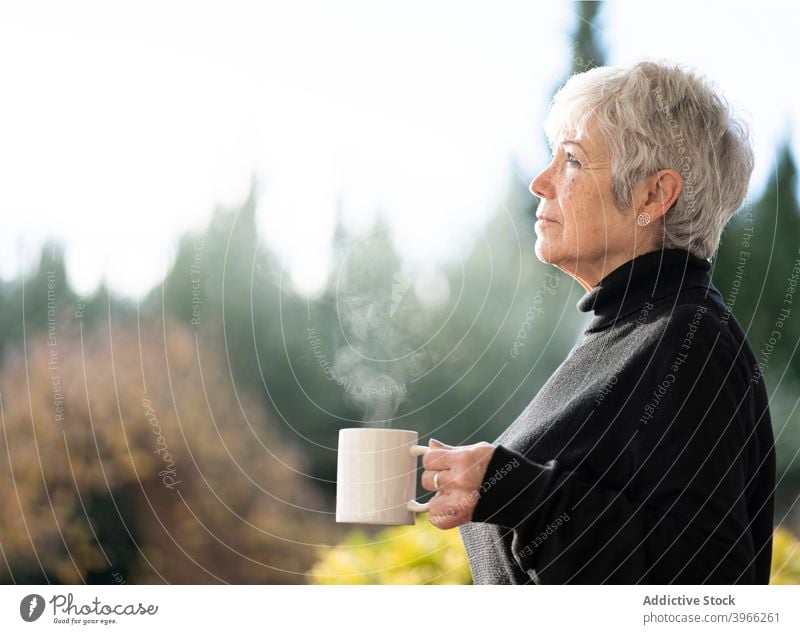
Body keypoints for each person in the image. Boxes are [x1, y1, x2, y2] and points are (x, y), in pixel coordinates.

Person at [421, 61, 775, 584]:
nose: (539, 182)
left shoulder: (690, 342)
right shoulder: (631, 330)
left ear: (653, 197)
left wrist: (517, 492)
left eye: (571, 160)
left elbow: (708, 589)